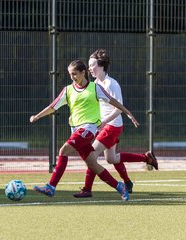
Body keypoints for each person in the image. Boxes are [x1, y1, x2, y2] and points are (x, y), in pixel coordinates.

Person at [30, 59, 139, 201]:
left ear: (83, 73)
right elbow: (52, 106)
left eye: (75, 74)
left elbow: (114, 101)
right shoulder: (68, 90)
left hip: (88, 130)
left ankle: (51, 187)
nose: (72, 77)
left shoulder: (95, 88)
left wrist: (129, 113)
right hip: (76, 131)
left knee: (63, 151)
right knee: (92, 164)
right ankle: (119, 186)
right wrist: (37, 116)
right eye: (70, 74)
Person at [73, 49, 158, 198]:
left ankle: (87, 189)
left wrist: (104, 121)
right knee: (111, 158)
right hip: (104, 126)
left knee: (91, 155)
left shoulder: (112, 84)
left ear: (101, 66)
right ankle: (144, 160)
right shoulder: (95, 84)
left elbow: (118, 109)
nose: (89, 68)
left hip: (112, 126)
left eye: (92, 65)